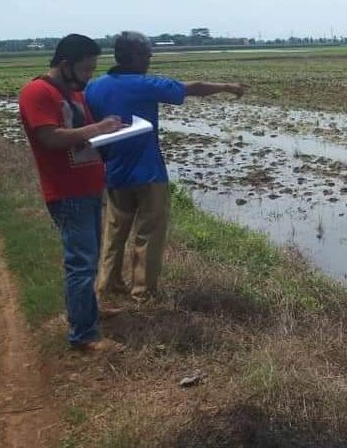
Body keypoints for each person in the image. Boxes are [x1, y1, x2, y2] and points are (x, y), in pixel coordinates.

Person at [85, 31, 246, 304]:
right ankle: (143, 293)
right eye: (147, 55)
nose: (149, 60)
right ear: (134, 56)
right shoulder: (145, 84)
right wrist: (227, 87)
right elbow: (191, 88)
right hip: (148, 173)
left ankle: (107, 285)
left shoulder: (95, 87)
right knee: (149, 232)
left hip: (114, 171)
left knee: (114, 231)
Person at [18, 34, 126, 352]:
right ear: (65, 65)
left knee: (87, 260)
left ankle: (86, 309)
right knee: (81, 262)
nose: (89, 75)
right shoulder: (37, 91)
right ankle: (84, 335)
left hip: (89, 187)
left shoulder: (74, 93)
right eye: (86, 69)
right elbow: (50, 138)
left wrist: (110, 131)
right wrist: (98, 128)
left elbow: (87, 136)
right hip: (67, 192)